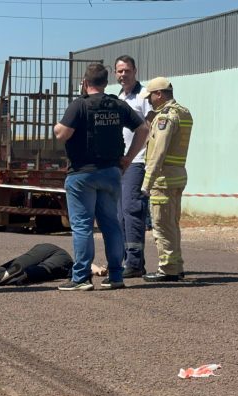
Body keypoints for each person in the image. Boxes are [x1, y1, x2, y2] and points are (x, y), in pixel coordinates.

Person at [53, 63, 149, 291]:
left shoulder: (79, 105)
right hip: (111, 172)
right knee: (111, 224)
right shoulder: (118, 105)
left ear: (85, 83)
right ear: (106, 83)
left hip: (82, 174)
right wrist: (128, 158)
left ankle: (81, 278)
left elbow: (62, 134)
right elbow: (144, 129)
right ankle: (116, 275)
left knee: (83, 226)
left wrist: (58, 126)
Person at [139, 77, 193, 282]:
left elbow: (158, 153)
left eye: (151, 97)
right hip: (177, 176)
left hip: (163, 179)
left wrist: (147, 183)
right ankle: (176, 266)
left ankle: (168, 269)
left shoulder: (165, 117)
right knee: (172, 223)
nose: (150, 101)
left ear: (159, 94)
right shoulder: (183, 112)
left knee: (162, 225)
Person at [115, 55, 152, 278]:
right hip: (120, 163)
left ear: (135, 71)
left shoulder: (144, 95)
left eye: (127, 70)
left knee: (132, 210)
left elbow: (149, 128)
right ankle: (123, 260)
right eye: (119, 71)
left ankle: (135, 263)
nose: (123, 75)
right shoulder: (119, 97)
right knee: (118, 214)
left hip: (137, 161)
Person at [0, 243, 107, 287]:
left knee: (23, 261)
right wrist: (100, 270)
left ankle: (0, 271)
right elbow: (85, 265)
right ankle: (19, 276)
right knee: (45, 270)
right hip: (62, 258)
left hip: (43, 247)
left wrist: (98, 269)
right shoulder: (68, 263)